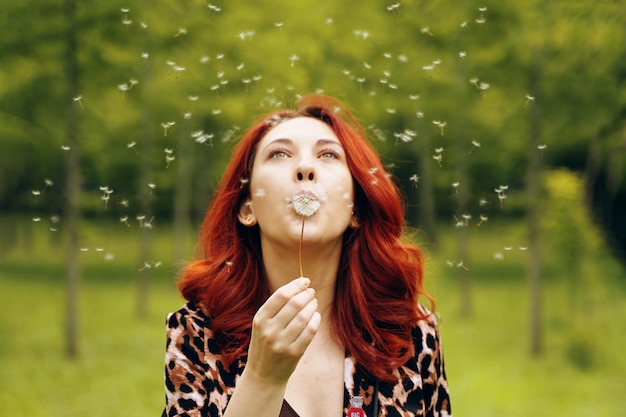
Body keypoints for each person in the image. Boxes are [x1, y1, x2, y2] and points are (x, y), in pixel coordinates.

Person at [161, 94, 452, 417]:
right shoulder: (197, 333)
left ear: (356, 208)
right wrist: (262, 377)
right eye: (279, 154)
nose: (304, 167)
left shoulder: (409, 334)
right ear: (247, 208)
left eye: (328, 154)